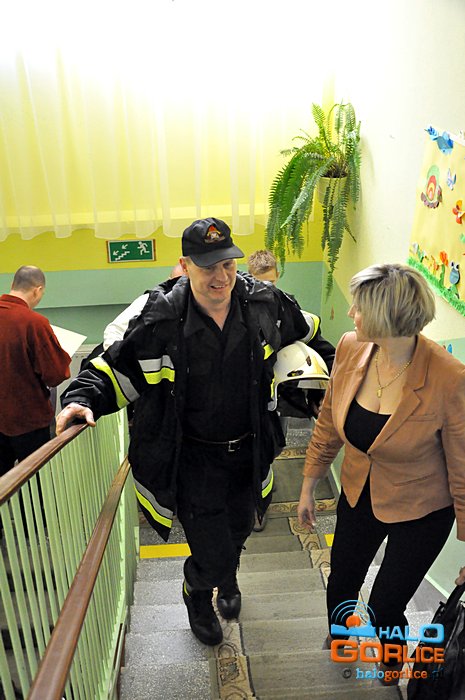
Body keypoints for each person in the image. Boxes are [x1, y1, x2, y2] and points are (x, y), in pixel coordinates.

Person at [56, 217, 324, 647]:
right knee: (210, 546)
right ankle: (197, 592)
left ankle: (227, 579)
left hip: (250, 451)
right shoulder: (158, 319)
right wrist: (82, 398)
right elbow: (112, 368)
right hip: (193, 459)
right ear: (185, 266)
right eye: (207, 266)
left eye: (228, 264)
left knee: (240, 528)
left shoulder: (265, 303)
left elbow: (310, 334)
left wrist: (331, 384)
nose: (221, 277)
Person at [297, 263, 465, 685]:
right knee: (341, 582)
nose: (350, 312)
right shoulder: (352, 347)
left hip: (423, 510)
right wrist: (309, 483)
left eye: (359, 307)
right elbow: (328, 422)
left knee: (386, 604)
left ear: (386, 316)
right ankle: (341, 637)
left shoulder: (449, 378)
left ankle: (392, 657)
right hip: (359, 492)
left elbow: (463, 470)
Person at [247, 249, 335, 531]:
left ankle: (260, 498)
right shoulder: (234, 311)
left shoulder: (288, 310)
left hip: (278, 399)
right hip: (244, 399)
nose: (267, 290)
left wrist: (321, 393)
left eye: (271, 283)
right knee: (250, 454)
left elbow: (320, 347)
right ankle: (254, 503)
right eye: (260, 283)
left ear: (278, 277)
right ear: (248, 278)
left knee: (270, 447)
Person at [0, 266, 71, 475]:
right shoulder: (34, 323)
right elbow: (56, 374)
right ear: (37, 290)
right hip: (28, 420)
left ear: (12, 285)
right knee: (36, 483)